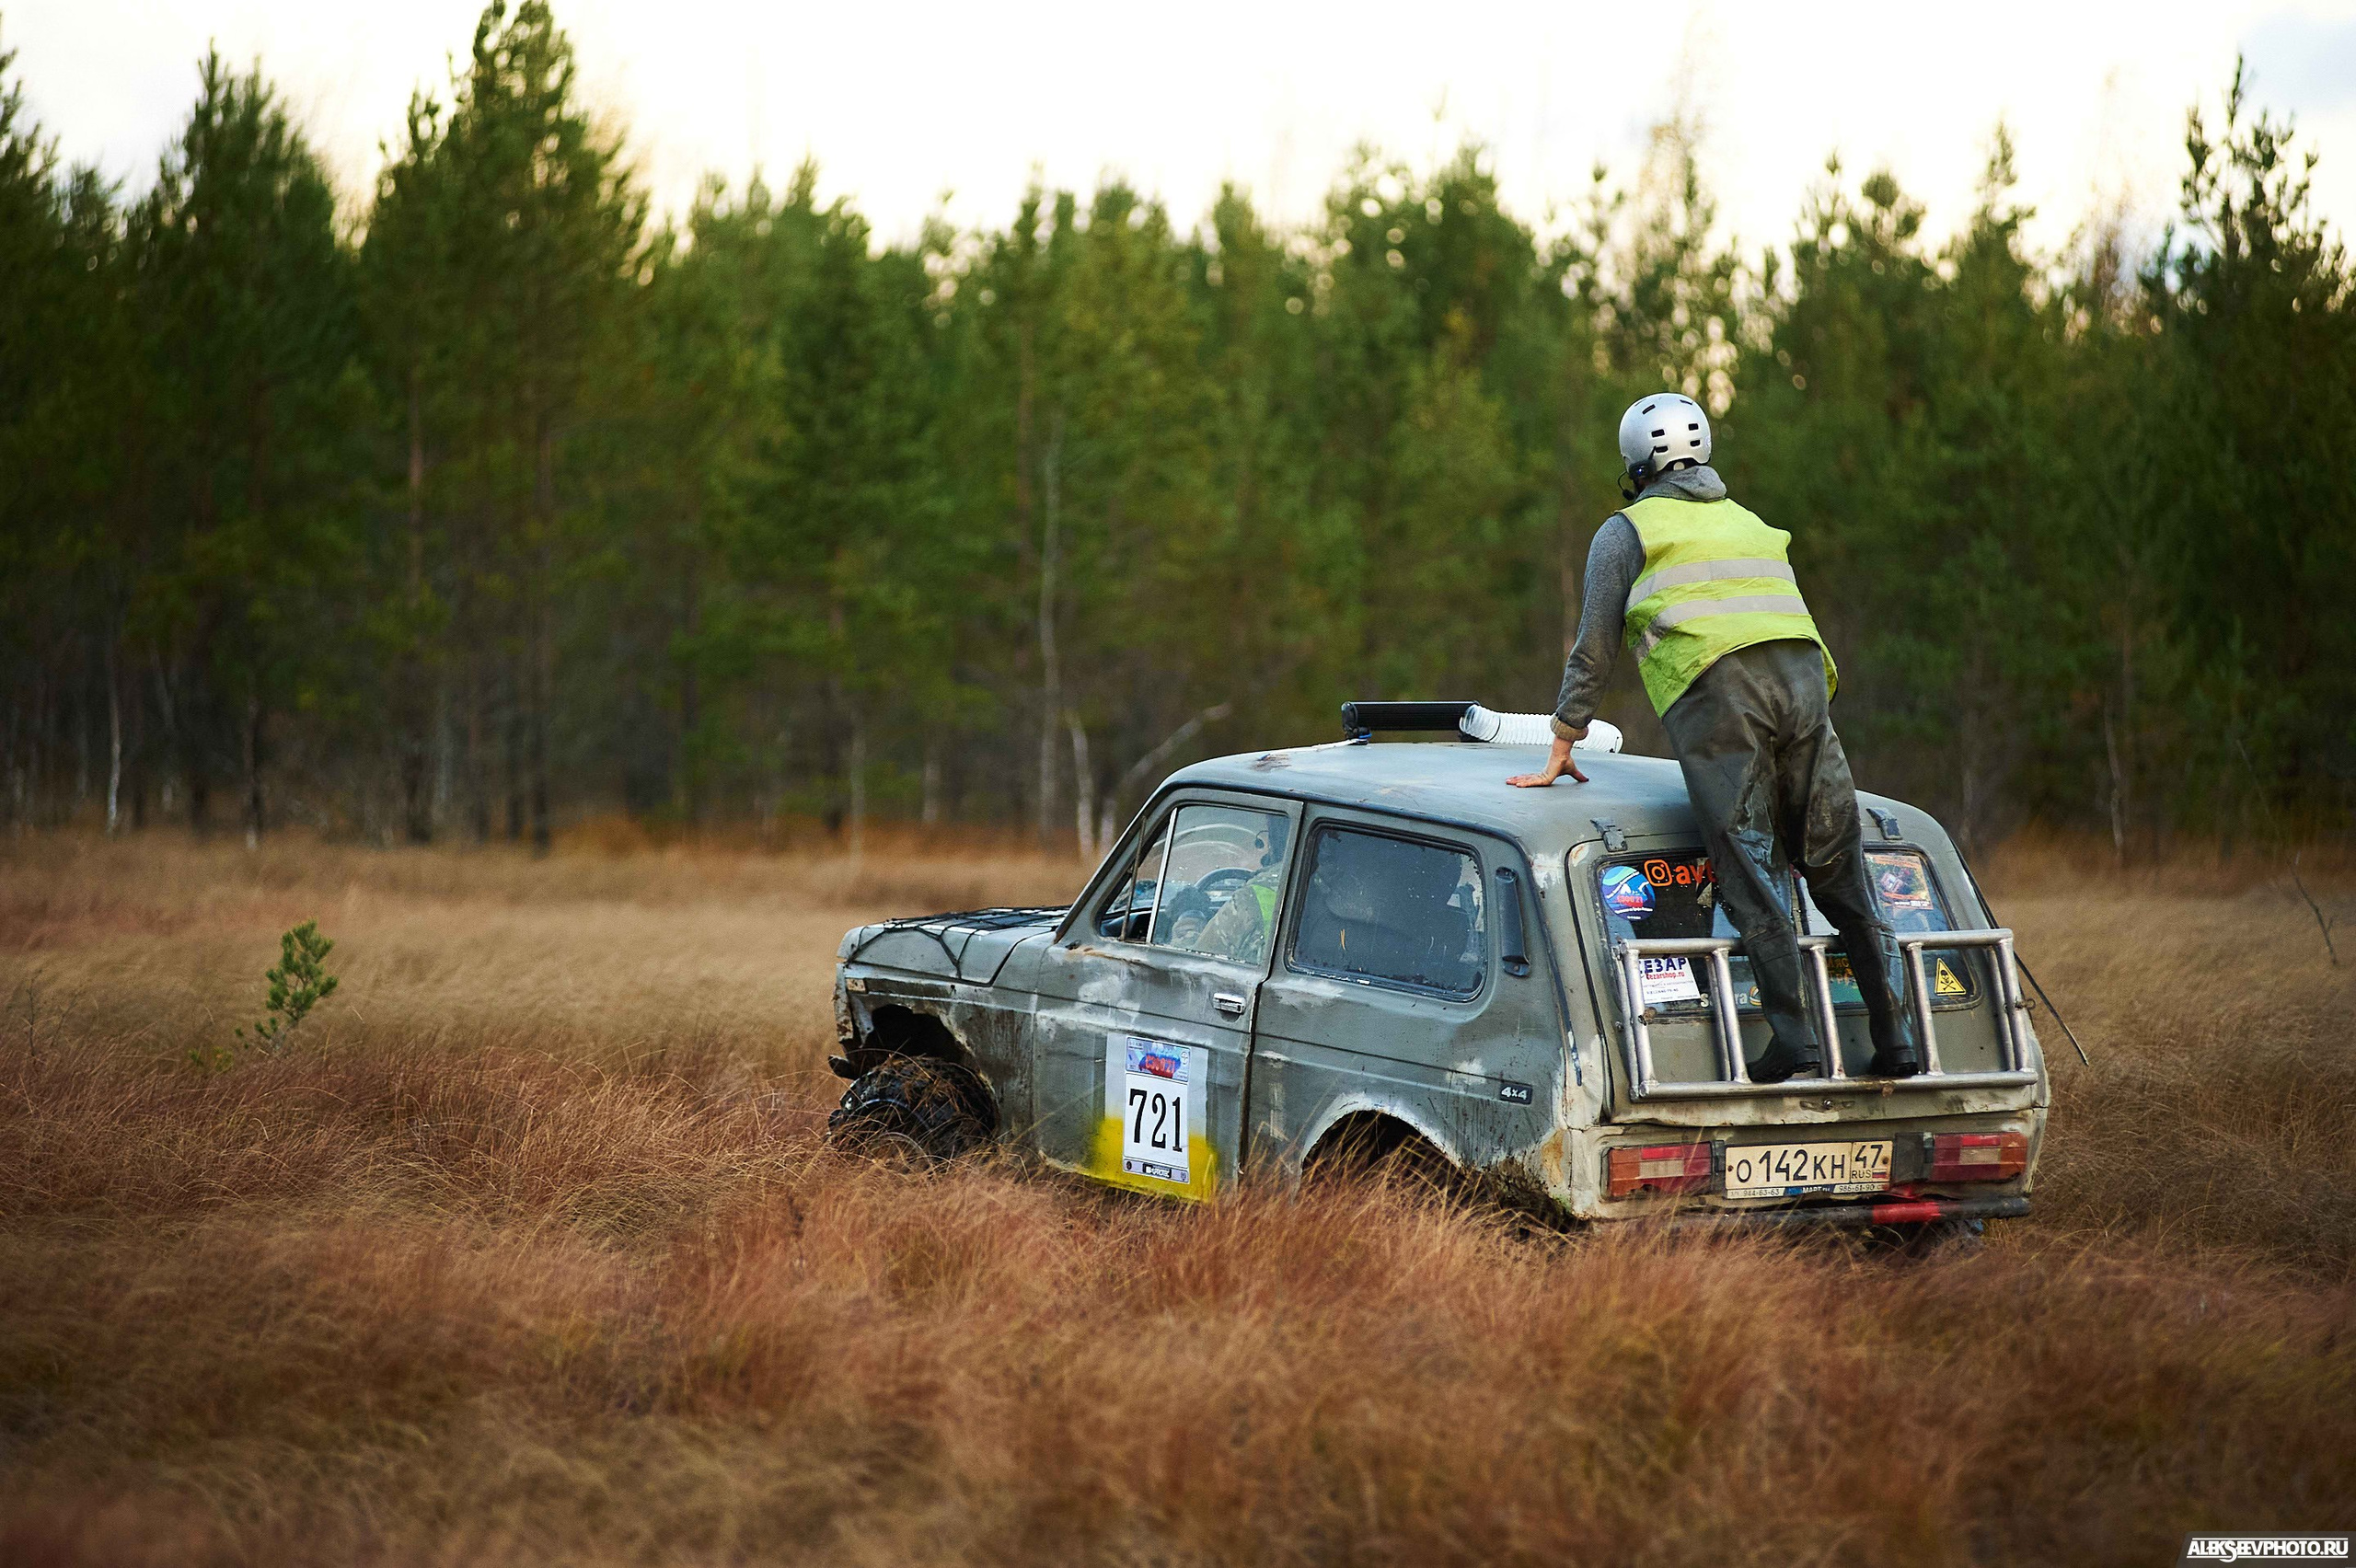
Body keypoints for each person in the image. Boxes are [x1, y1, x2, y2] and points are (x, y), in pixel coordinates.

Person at [1507, 392, 1921, 1082]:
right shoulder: (1752, 523)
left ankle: (1795, 1039)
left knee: (1747, 862)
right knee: (1837, 865)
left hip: (1720, 694)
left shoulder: (1626, 531)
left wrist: (1563, 740)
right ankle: (1897, 1038)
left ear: (1638, 465)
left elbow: (1593, 648)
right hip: (1807, 689)